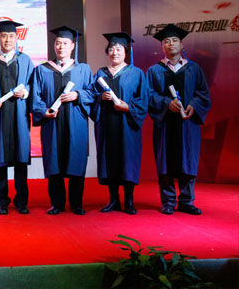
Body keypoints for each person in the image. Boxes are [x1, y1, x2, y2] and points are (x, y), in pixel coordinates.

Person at [147, 24, 211, 215]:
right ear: (162, 47)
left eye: (175, 40)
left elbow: (203, 93)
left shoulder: (194, 69)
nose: (171, 44)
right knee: (165, 162)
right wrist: (166, 103)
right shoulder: (154, 70)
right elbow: (148, 95)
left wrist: (194, 105)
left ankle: (186, 201)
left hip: (188, 123)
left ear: (182, 45)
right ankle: (168, 201)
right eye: (166, 41)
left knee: (188, 160)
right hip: (165, 124)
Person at [31, 25, 93, 215]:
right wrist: (44, 111)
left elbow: (92, 93)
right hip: (52, 122)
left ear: (72, 46)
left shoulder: (83, 69)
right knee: (54, 161)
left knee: (76, 159)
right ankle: (56, 203)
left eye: (65, 43)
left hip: (76, 122)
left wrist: (78, 95)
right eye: (58, 43)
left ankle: (76, 203)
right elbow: (36, 96)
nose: (61, 47)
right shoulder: (42, 69)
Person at [0, 19, 34, 215]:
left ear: (17, 38)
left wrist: (26, 93)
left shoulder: (25, 60)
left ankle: (22, 202)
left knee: (20, 161)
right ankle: (2, 201)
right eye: (4, 36)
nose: (7, 40)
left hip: (19, 117)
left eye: (11, 36)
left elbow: (33, 85)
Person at [90, 32, 148, 215]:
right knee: (109, 159)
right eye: (111, 49)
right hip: (106, 124)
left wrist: (128, 107)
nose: (114, 52)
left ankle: (129, 200)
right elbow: (91, 96)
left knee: (127, 159)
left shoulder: (136, 73)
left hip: (127, 124)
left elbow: (143, 99)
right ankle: (113, 199)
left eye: (118, 49)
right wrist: (101, 97)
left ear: (126, 52)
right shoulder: (101, 73)